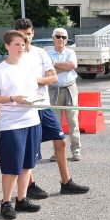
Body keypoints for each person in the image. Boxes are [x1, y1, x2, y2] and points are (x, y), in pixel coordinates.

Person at [15, 19, 89, 197]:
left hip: (44, 105)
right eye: (23, 33)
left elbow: (53, 77)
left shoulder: (41, 53)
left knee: (60, 140)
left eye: (29, 33)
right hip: (26, 108)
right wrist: (39, 80)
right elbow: (15, 82)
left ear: (33, 33)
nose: (26, 37)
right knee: (29, 148)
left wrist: (33, 81)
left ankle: (66, 182)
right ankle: (30, 185)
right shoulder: (14, 55)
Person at [0, 31, 43, 220]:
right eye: (17, 44)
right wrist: (12, 98)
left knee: (27, 164)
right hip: (11, 124)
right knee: (12, 166)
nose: (21, 48)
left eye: (23, 44)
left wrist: (34, 99)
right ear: (7, 46)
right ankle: (6, 203)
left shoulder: (28, 67)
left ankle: (22, 199)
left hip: (32, 120)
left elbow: (33, 90)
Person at [47, 28, 82, 162]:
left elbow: (72, 65)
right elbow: (49, 73)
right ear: (53, 38)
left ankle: (76, 150)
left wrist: (55, 65)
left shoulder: (70, 52)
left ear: (67, 40)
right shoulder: (47, 54)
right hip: (54, 89)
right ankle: (57, 153)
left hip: (70, 88)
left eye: (64, 37)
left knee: (73, 121)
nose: (61, 39)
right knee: (56, 123)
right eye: (58, 36)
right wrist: (64, 67)